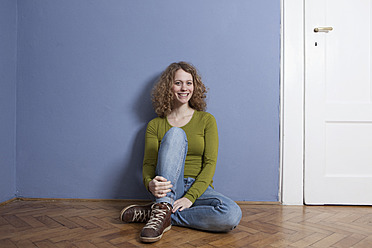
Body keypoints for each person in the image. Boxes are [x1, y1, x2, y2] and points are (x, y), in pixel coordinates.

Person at [120, 62, 242, 243]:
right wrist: (149, 184)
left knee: (231, 215)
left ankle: (159, 214)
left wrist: (191, 197)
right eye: (178, 83)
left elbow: (210, 164)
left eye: (189, 83)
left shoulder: (206, 120)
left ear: (195, 86)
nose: (184, 88)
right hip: (168, 188)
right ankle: (163, 205)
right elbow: (148, 165)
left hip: (199, 188)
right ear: (168, 87)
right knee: (176, 133)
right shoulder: (155, 125)